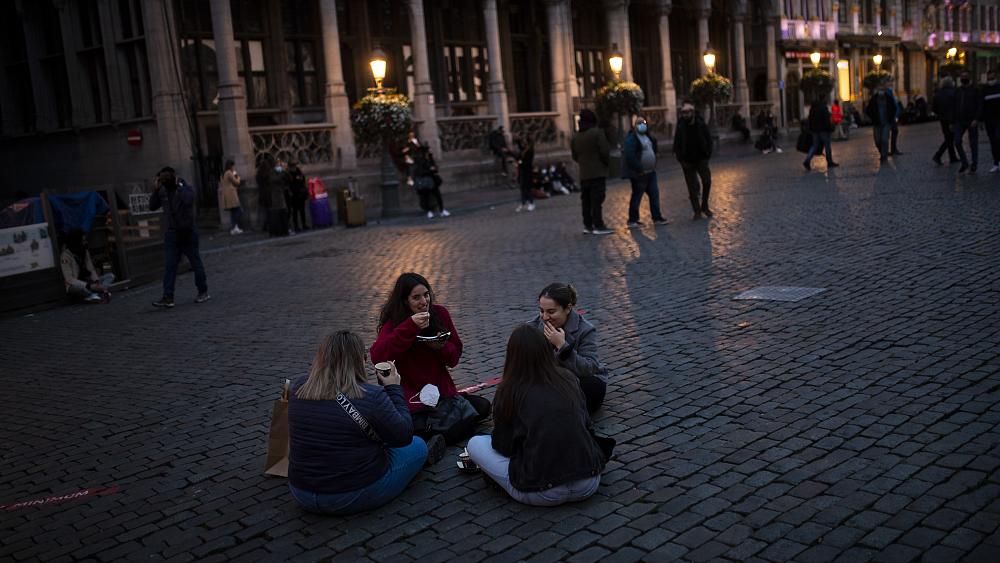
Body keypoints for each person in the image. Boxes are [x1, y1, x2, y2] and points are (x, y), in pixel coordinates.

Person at [288, 331, 428, 516]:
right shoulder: (370, 396)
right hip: (353, 494)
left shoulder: (298, 386)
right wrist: (393, 387)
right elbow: (403, 435)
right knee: (418, 446)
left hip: (301, 492)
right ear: (360, 360)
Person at [466, 324, 608, 506]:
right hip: (588, 481)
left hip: (542, 490)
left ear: (512, 356)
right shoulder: (568, 377)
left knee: (475, 443)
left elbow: (504, 446)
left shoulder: (510, 390)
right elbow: (587, 426)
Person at [370, 273, 490, 445]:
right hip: (413, 398)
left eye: (426, 295)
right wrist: (410, 326)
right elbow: (378, 356)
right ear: (405, 301)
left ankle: (435, 435)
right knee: (417, 425)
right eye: (416, 297)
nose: (424, 301)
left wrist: (441, 347)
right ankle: (435, 435)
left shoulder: (440, 314)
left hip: (442, 394)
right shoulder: (394, 324)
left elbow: (454, 357)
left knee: (483, 407)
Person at [528, 282, 608, 413]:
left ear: (568, 308)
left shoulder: (585, 329)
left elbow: (589, 368)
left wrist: (562, 346)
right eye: (542, 311)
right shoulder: (533, 327)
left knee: (592, 387)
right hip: (548, 381)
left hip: (578, 380)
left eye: (551, 311)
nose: (545, 317)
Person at [149, 166, 209, 308]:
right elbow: (152, 206)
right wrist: (156, 190)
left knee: (195, 262)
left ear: (173, 176)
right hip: (172, 233)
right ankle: (168, 297)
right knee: (170, 266)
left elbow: (188, 200)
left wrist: (178, 186)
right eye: (161, 179)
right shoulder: (162, 190)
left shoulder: (183, 186)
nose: (164, 181)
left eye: (165, 178)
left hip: (187, 232)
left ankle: (203, 291)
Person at [571, 109, 612, 235]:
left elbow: (574, 155)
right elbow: (604, 151)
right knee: (597, 199)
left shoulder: (575, 136)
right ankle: (598, 225)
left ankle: (588, 225)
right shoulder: (597, 133)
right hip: (598, 172)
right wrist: (605, 163)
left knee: (586, 200)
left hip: (584, 173)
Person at [622, 116, 668, 228]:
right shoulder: (632, 138)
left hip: (651, 172)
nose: (642, 124)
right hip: (640, 173)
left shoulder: (648, 137)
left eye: (644, 122)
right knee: (637, 196)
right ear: (635, 125)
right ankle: (633, 220)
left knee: (654, 195)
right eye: (639, 123)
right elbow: (630, 155)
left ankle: (657, 217)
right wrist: (639, 169)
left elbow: (653, 148)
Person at [673, 100, 714, 220]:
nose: (685, 115)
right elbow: (677, 143)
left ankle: (704, 206)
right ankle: (697, 211)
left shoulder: (701, 124)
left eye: (687, 112)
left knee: (707, 182)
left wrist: (707, 154)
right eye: (683, 112)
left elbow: (708, 139)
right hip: (687, 161)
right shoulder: (680, 126)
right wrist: (681, 159)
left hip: (701, 159)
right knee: (692, 187)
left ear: (692, 112)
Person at [59, 229, 113, 304]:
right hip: (76, 284)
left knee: (110, 276)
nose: (85, 242)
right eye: (83, 240)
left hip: (88, 282)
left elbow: (91, 269)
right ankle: (95, 295)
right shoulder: (65, 256)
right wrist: (89, 286)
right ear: (77, 241)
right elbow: (69, 279)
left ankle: (100, 292)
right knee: (80, 289)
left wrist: (96, 282)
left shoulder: (84, 251)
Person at [953, 70, 982, 174]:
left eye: (965, 76)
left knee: (973, 143)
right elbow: (954, 105)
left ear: (969, 78)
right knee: (957, 141)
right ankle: (964, 162)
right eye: (962, 76)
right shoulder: (958, 91)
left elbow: (979, 105)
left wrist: (977, 119)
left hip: (971, 120)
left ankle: (974, 164)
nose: (963, 78)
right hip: (959, 121)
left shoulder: (975, 90)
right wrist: (952, 121)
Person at [803, 96, 839, 171]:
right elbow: (826, 120)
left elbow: (810, 119)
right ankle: (830, 162)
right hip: (823, 130)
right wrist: (830, 128)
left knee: (814, 146)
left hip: (815, 130)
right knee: (827, 146)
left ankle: (807, 160)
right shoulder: (823, 108)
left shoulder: (813, 108)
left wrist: (811, 129)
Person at [865, 83, 896, 162]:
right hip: (877, 123)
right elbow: (868, 110)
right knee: (877, 140)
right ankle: (882, 151)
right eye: (879, 90)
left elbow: (893, 108)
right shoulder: (874, 99)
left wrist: (891, 118)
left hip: (886, 122)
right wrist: (873, 118)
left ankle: (884, 156)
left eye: (882, 90)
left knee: (885, 139)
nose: (880, 91)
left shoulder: (889, 99)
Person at [932, 76, 960, 165]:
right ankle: (938, 155)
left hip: (943, 119)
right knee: (950, 138)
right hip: (952, 118)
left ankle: (952, 157)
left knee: (948, 138)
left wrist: (940, 114)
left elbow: (934, 108)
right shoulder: (954, 92)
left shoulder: (938, 94)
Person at [981, 70, 1000, 173]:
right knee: (993, 141)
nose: (990, 80)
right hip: (989, 120)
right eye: (989, 79)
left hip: (998, 119)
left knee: (998, 138)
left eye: (992, 78)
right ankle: (996, 163)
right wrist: (981, 119)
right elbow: (982, 105)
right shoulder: (985, 90)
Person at [219, 160, 243, 235]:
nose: (233, 167)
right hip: (231, 194)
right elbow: (236, 182)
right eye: (233, 166)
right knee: (239, 210)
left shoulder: (223, 174)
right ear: (230, 166)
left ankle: (234, 228)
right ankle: (234, 227)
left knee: (233, 212)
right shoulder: (229, 173)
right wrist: (238, 177)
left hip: (227, 195)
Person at [287, 160, 309, 233]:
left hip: (300, 192)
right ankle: (296, 226)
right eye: (292, 166)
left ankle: (304, 224)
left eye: (295, 165)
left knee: (302, 210)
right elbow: (288, 183)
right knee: (295, 211)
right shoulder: (288, 173)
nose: (294, 167)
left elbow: (302, 179)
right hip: (294, 194)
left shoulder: (298, 171)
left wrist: (301, 179)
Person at [515, 137, 536, 213]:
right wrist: (517, 140)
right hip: (522, 171)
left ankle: (531, 202)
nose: (523, 143)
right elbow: (520, 148)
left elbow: (527, 162)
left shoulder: (529, 151)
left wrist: (520, 163)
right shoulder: (524, 150)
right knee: (522, 187)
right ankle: (523, 202)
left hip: (527, 171)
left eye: (524, 141)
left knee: (527, 187)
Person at [887, 87, 904, 155]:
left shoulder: (890, 91)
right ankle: (889, 150)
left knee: (894, 131)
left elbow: (895, 104)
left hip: (892, 116)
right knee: (889, 133)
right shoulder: (888, 92)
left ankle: (893, 149)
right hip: (890, 117)